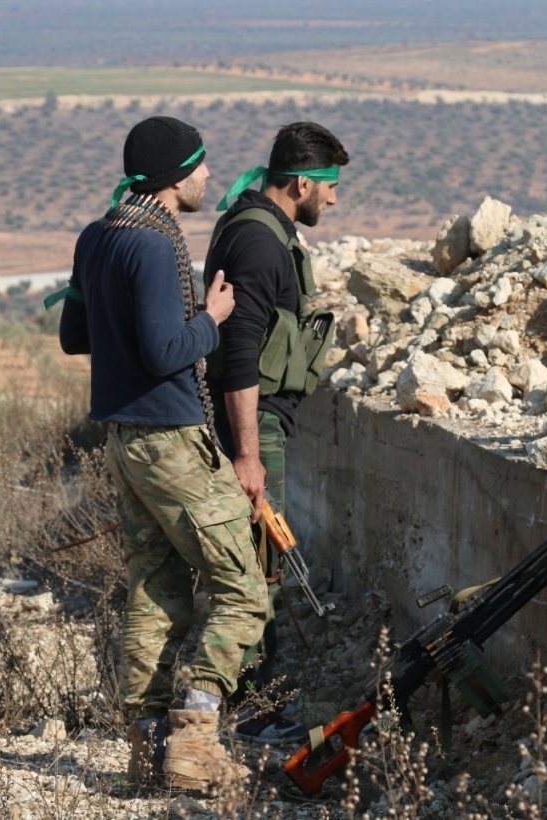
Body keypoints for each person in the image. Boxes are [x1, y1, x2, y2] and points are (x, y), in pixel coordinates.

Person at [57, 116, 268, 790]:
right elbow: (166, 351)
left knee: (155, 589)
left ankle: (147, 752)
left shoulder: (98, 236)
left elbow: (72, 334)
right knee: (245, 589)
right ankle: (194, 741)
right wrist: (212, 318)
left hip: (124, 437)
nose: (209, 177)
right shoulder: (152, 245)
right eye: (202, 167)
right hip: (171, 439)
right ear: (177, 176)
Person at [203, 121, 349, 743]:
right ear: (299, 182)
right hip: (255, 425)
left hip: (259, 422)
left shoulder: (259, 227)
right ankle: (255, 712)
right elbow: (238, 351)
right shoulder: (262, 244)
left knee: (259, 563)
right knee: (260, 568)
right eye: (329, 186)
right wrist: (247, 454)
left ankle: (242, 702)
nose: (334, 199)